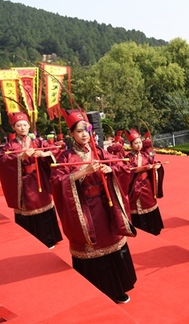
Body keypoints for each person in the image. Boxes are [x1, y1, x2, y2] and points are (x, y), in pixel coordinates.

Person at [50, 109, 136, 304]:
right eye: (79, 131)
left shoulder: (99, 151)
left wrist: (110, 170)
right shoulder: (66, 157)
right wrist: (81, 172)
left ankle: (118, 287)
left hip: (106, 207)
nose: (84, 135)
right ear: (71, 133)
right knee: (92, 246)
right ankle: (97, 290)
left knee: (114, 242)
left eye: (87, 130)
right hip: (84, 209)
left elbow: (121, 167)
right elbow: (56, 181)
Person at [0, 112, 62, 249]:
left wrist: (44, 154)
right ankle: (32, 240)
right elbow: (3, 160)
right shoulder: (10, 146)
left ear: (29, 126)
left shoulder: (38, 142)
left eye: (24, 125)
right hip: (23, 183)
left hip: (39, 180)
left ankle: (49, 239)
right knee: (28, 208)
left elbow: (54, 150)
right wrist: (20, 157)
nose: (22, 128)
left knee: (45, 205)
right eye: (19, 125)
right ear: (14, 128)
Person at [124, 128, 165, 236]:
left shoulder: (146, 155)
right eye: (135, 143)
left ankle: (153, 229)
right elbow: (127, 171)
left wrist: (156, 166)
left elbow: (153, 163)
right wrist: (142, 169)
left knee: (150, 205)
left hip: (147, 186)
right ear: (131, 145)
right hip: (135, 186)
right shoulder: (128, 158)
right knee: (136, 209)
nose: (138, 145)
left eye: (139, 142)